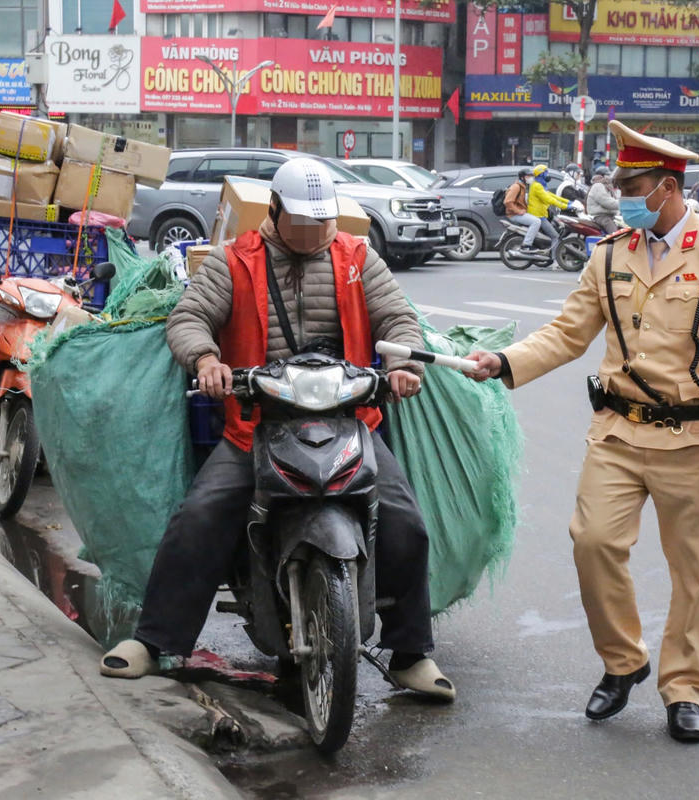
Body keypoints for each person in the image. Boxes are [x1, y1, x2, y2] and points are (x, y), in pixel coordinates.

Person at [99, 158, 455, 701]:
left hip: (351, 419)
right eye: (304, 223)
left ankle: (411, 654)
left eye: (324, 223)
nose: (316, 235)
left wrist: (406, 365)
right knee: (200, 516)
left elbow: (397, 319)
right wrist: (205, 359)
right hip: (257, 422)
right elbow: (189, 318)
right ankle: (156, 640)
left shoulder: (359, 257)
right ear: (274, 211)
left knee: (406, 522)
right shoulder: (233, 261)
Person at [465, 119, 699, 743]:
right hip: (618, 431)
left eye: (631, 185)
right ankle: (623, 661)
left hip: (692, 439)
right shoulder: (609, 254)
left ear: (666, 186)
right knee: (592, 542)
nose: (621, 195)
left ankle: (684, 687)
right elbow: (566, 334)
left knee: (692, 571)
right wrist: (506, 362)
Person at [521, 164, 571, 255]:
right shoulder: (537, 186)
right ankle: (555, 260)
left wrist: (568, 202)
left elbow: (552, 196)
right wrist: (565, 206)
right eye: (546, 173)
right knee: (555, 236)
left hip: (542, 214)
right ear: (541, 174)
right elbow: (548, 199)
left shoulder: (540, 185)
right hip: (539, 216)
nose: (548, 175)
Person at [585, 167, 620, 233]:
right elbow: (606, 202)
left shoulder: (606, 186)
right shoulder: (598, 186)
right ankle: (614, 242)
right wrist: (622, 204)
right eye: (607, 175)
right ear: (602, 176)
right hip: (600, 216)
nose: (609, 177)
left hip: (608, 215)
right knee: (615, 234)